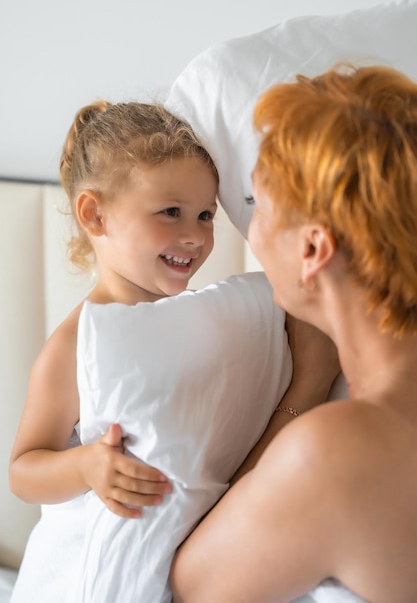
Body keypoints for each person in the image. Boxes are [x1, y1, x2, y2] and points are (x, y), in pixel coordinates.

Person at [9, 99, 339, 602]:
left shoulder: (214, 320)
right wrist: (86, 467)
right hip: (77, 574)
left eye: (206, 214)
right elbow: (23, 469)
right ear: (95, 214)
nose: (195, 236)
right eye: (171, 212)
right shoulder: (77, 343)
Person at [169, 64, 417, 603]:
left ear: (311, 251)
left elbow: (191, 587)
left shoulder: (339, 452)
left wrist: (306, 386)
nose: (249, 229)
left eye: (257, 206)